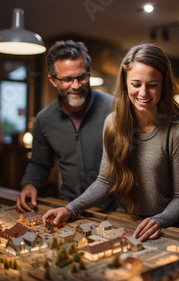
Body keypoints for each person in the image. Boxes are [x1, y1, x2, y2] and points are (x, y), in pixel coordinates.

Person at [41, 43, 179, 242]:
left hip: (169, 229)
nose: (144, 93)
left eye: (153, 84)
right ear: (125, 83)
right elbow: (105, 181)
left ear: (164, 84)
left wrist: (159, 220)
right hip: (128, 223)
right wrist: (71, 209)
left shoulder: (178, 132)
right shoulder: (112, 123)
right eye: (136, 84)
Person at [16, 40, 116, 213]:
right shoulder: (44, 119)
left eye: (82, 77)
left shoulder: (114, 108)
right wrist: (29, 184)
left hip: (115, 210)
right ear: (53, 80)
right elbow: (40, 163)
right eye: (67, 79)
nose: (76, 86)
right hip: (67, 208)